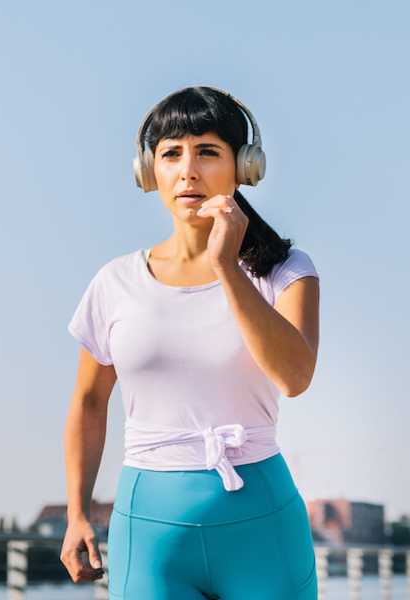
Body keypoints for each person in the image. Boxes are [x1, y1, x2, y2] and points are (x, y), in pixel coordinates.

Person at [60, 85, 321, 599]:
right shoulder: (115, 283)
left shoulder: (286, 272)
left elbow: (295, 377)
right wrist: (76, 512)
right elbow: (89, 403)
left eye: (207, 151)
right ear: (148, 171)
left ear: (244, 167)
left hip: (262, 528)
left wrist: (227, 266)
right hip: (150, 531)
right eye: (171, 154)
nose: (188, 171)